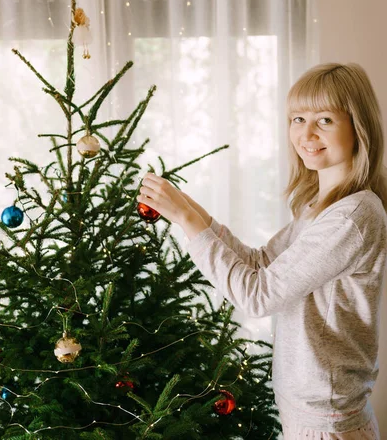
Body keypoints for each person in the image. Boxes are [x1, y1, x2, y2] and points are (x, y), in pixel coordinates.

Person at [137, 62, 387, 440]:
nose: (306, 133)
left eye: (325, 120)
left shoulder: (353, 216)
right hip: (308, 414)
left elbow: (257, 295)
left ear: (358, 126)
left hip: (328, 424)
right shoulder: (320, 207)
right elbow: (261, 264)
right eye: (298, 118)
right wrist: (195, 213)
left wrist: (189, 220)